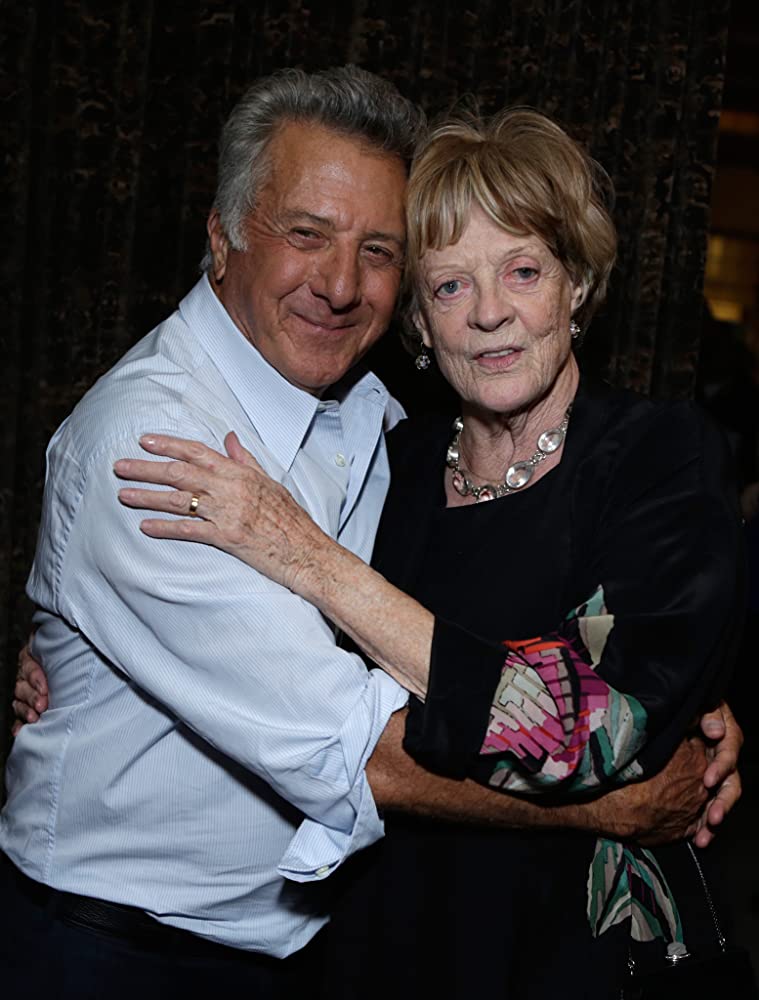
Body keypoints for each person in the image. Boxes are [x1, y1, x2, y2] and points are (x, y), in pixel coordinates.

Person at [101, 108, 749, 998]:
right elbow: (274, 660)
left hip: (574, 953)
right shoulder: (385, 458)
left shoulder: (659, 458)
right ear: (416, 318)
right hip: (383, 933)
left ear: (575, 285)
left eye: (522, 271)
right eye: (448, 286)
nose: (488, 313)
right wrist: (80, 652)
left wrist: (308, 556)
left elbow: (595, 730)